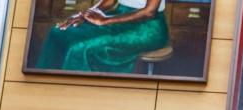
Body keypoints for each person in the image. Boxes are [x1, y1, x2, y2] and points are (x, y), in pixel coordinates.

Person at [36, 0, 170, 75]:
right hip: (119, 18)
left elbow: (149, 12)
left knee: (80, 48)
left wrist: (105, 21)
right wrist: (85, 15)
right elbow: (109, 1)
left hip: (147, 28)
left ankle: (74, 97)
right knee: (58, 33)